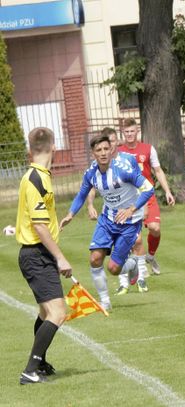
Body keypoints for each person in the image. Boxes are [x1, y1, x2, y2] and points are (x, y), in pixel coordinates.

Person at [60, 134, 154, 310]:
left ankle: (132, 264)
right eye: (98, 150)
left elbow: (148, 189)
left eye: (106, 149)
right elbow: (82, 194)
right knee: (95, 258)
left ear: (111, 150)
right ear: (93, 153)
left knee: (113, 269)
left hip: (130, 222)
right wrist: (70, 214)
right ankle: (105, 302)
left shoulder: (123, 169)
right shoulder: (91, 173)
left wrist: (132, 209)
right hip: (107, 219)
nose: (103, 153)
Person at [15, 127, 73, 384]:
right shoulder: (36, 179)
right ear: (55, 149)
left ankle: (40, 364)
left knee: (45, 313)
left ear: (30, 151)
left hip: (37, 254)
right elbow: (39, 226)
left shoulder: (39, 176)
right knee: (58, 312)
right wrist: (60, 257)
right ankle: (30, 370)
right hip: (36, 254)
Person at [86, 127, 149, 293]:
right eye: (102, 147)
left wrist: (139, 208)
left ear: (115, 144)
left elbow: (141, 187)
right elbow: (91, 187)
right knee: (108, 262)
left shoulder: (128, 161)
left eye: (112, 143)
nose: (108, 148)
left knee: (137, 241)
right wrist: (90, 205)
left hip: (132, 214)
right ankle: (124, 280)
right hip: (110, 216)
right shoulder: (96, 168)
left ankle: (139, 274)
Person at [118, 118, 175, 276]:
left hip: (147, 195)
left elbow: (158, 171)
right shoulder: (119, 153)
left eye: (132, 131)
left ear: (137, 131)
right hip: (129, 199)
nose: (129, 134)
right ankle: (138, 265)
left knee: (155, 228)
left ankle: (150, 256)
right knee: (134, 237)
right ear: (123, 132)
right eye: (127, 131)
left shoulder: (148, 149)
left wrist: (167, 192)